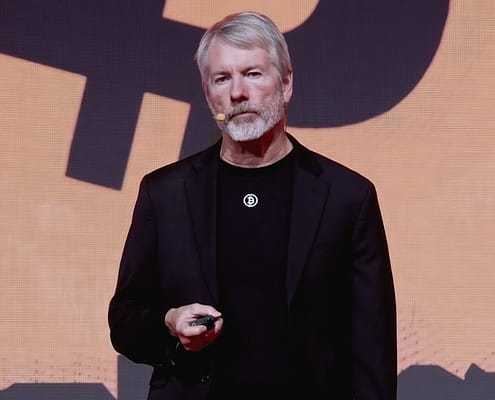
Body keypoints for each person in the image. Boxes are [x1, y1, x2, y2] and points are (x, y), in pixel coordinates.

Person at [108, 11, 397, 400]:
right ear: (207, 93)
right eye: (222, 78)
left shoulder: (347, 197)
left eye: (253, 74)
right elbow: (124, 320)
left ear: (287, 83)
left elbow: (373, 352)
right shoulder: (165, 194)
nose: (237, 93)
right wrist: (169, 323)